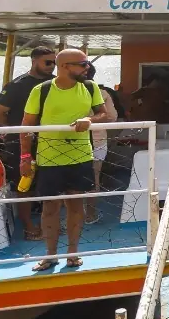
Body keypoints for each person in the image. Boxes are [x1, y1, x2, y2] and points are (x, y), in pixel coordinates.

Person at [20, 48, 115, 270]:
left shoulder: (90, 87)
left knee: (75, 205)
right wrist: (25, 156)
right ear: (64, 67)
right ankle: (50, 255)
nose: (87, 68)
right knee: (50, 208)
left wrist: (89, 119)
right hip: (49, 157)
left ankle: (73, 253)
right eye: (82, 64)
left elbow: (104, 113)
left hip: (81, 155)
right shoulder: (41, 90)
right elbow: (26, 125)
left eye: (87, 63)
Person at [0, 45, 55, 241]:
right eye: (47, 62)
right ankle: (28, 226)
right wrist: (12, 131)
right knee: (25, 185)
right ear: (34, 61)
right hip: (21, 141)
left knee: (50, 183)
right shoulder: (16, 85)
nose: (51, 66)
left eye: (54, 63)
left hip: (50, 140)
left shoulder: (56, 84)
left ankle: (47, 223)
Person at [81, 62, 120, 224]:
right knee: (93, 177)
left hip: (67, 141)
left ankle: (74, 214)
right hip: (97, 141)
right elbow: (112, 117)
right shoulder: (101, 93)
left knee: (69, 179)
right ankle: (90, 214)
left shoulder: (63, 92)